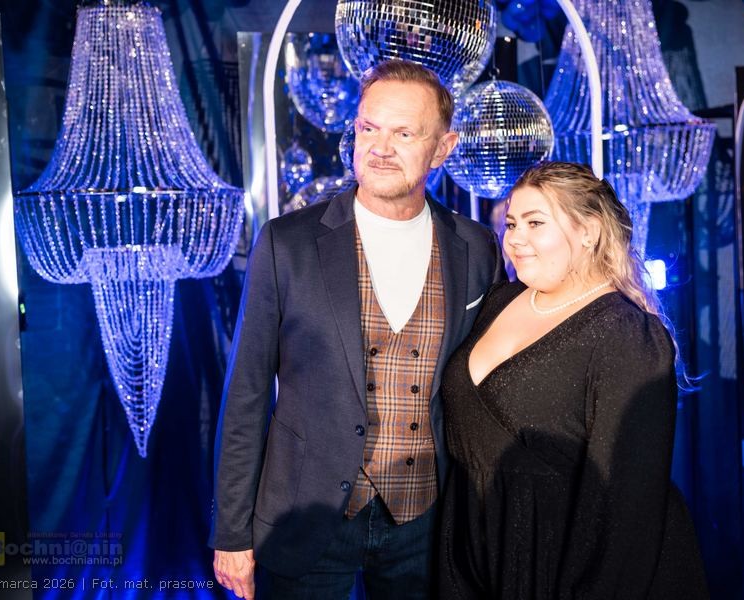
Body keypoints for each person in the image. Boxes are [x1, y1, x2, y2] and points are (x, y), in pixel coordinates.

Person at [209, 59, 505, 600]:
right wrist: (232, 532)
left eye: (404, 133)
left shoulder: (477, 248)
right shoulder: (286, 243)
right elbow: (245, 394)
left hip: (427, 520)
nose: (380, 148)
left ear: (443, 148)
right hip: (306, 512)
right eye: (369, 127)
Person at [437, 162, 709, 599]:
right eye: (511, 223)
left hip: (573, 567)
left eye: (535, 223)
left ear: (589, 232)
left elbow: (628, 504)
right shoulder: (498, 300)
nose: (514, 238)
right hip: (482, 553)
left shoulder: (626, 334)